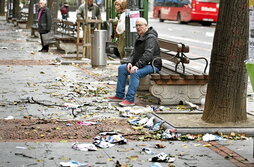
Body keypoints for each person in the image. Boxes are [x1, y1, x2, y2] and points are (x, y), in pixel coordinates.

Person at [108, 18, 162, 107]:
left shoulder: (151, 37)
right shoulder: (141, 36)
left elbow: (148, 54)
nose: (138, 27)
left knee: (135, 73)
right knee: (122, 68)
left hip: (153, 64)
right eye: (136, 25)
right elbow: (134, 53)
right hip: (143, 63)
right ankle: (119, 95)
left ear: (146, 26)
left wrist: (137, 66)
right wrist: (130, 62)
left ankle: (130, 100)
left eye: (140, 25)